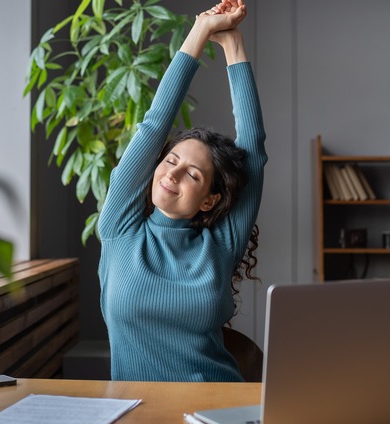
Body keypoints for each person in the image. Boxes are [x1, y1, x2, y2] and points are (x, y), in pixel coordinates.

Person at [97, 0, 266, 382]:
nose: (172, 175)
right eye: (170, 162)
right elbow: (154, 125)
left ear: (209, 199)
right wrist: (201, 30)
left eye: (192, 174)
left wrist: (233, 44)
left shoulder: (221, 245)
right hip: (137, 411)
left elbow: (253, 148)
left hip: (218, 403)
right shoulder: (120, 229)